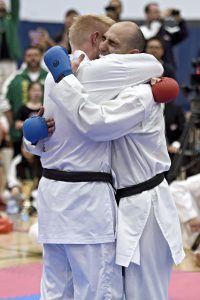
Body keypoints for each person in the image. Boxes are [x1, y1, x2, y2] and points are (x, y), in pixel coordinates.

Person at [24, 15, 167, 300]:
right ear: (95, 38)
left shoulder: (53, 77)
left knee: (55, 289)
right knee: (98, 289)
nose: (105, 49)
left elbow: (43, 139)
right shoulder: (91, 73)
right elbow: (153, 64)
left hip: (52, 199)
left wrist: (31, 139)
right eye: (106, 40)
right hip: (86, 204)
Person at [2, 46, 47, 156]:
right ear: (24, 58)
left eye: (35, 55)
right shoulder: (15, 78)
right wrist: (12, 126)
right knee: (20, 168)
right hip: (19, 134)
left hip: (46, 133)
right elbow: (4, 102)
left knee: (43, 167)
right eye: (29, 55)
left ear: (41, 57)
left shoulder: (49, 76)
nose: (32, 58)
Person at [140, 2, 188, 70]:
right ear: (147, 14)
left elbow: (182, 34)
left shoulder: (166, 27)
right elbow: (151, 37)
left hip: (167, 68)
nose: (158, 14)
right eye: (155, 12)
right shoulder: (142, 30)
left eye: (158, 12)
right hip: (147, 67)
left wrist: (180, 19)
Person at [0, 0, 22, 90]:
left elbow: (15, 5)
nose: (1, 4)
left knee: (10, 87)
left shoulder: (12, 20)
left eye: (3, 3)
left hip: (10, 61)